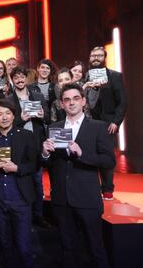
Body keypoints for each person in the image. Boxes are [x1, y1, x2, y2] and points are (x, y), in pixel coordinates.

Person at [42, 83, 115, 267]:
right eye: (67, 99)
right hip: (61, 200)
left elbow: (109, 161)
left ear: (83, 101)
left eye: (75, 98)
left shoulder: (98, 127)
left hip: (87, 199)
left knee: (95, 248)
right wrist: (45, 153)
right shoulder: (55, 127)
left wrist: (82, 154)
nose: (71, 103)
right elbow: (49, 164)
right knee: (67, 249)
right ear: (61, 104)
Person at [0, 99, 37, 268]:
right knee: (4, 245)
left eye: (8, 113)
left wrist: (17, 168)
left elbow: (35, 164)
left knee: (24, 247)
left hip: (20, 198)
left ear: (14, 116)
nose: (4, 117)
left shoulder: (26, 136)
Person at [7, 66, 50, 228]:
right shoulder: (10, 99)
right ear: (12, 80)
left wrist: (41, 115)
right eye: (16, 77)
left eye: (22, 76)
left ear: (26, 78)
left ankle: (38, 215)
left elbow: (47, 116)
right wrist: (21, 119)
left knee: (37, 182)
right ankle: (21, 217)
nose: (19, 80)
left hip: (36, 143)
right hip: (18, 145)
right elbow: (7, 123)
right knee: (19, 182)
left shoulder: (37, 95)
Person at [86, 46, 127, 200]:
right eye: (93, 55)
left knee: (106, 156)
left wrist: (116, 122)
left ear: (105, 58)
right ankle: (93, 188)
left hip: (107, 124)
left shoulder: (115, 76)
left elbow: (122, 102)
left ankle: (107, 189)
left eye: (99, 55)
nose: (95, 58)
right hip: (89, 123)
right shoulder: (86, 76)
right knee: (89, 156)